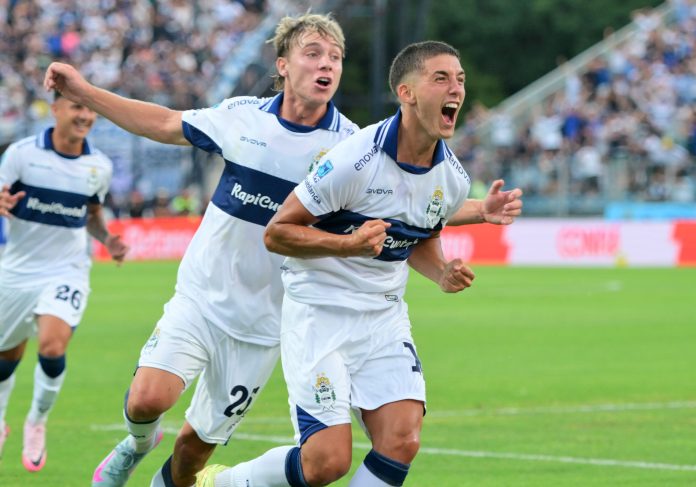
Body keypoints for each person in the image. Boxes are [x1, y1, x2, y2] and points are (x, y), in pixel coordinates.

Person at [45, 15, 521, 487]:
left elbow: (407, 203)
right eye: (313, 53)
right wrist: (84, 91)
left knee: (192, 455)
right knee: (147, 399)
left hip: (266, 323)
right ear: (283, 65)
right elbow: (165, 122)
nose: (327, 64)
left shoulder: (349, 144)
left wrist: (478, 212)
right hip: (203, 297)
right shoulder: (244, 118)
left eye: (335, 57)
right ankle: (136, 444)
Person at [194, 40, 503, 487]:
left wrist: (441, 273)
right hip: (319, 315)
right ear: (406, 92)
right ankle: (220, 484)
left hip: (383, 319)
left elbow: (422, 236)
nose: (456, 88)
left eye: (460, 80)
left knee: (402, 440)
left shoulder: (452, 178)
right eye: (441, 78)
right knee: (326, 463)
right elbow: (278, 232)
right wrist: (349, 245)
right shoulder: (354, 159)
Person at [0, 91, 128, 472]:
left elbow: (91, 214)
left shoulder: (98, 166)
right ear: (55, 109)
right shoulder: (22, 154)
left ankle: (36, 422)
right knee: (5, 360)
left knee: (53, 346)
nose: (85, 115)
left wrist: (108, 240)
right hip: (17, 271)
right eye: (76, 107)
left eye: (90, 108)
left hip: (66, 270)